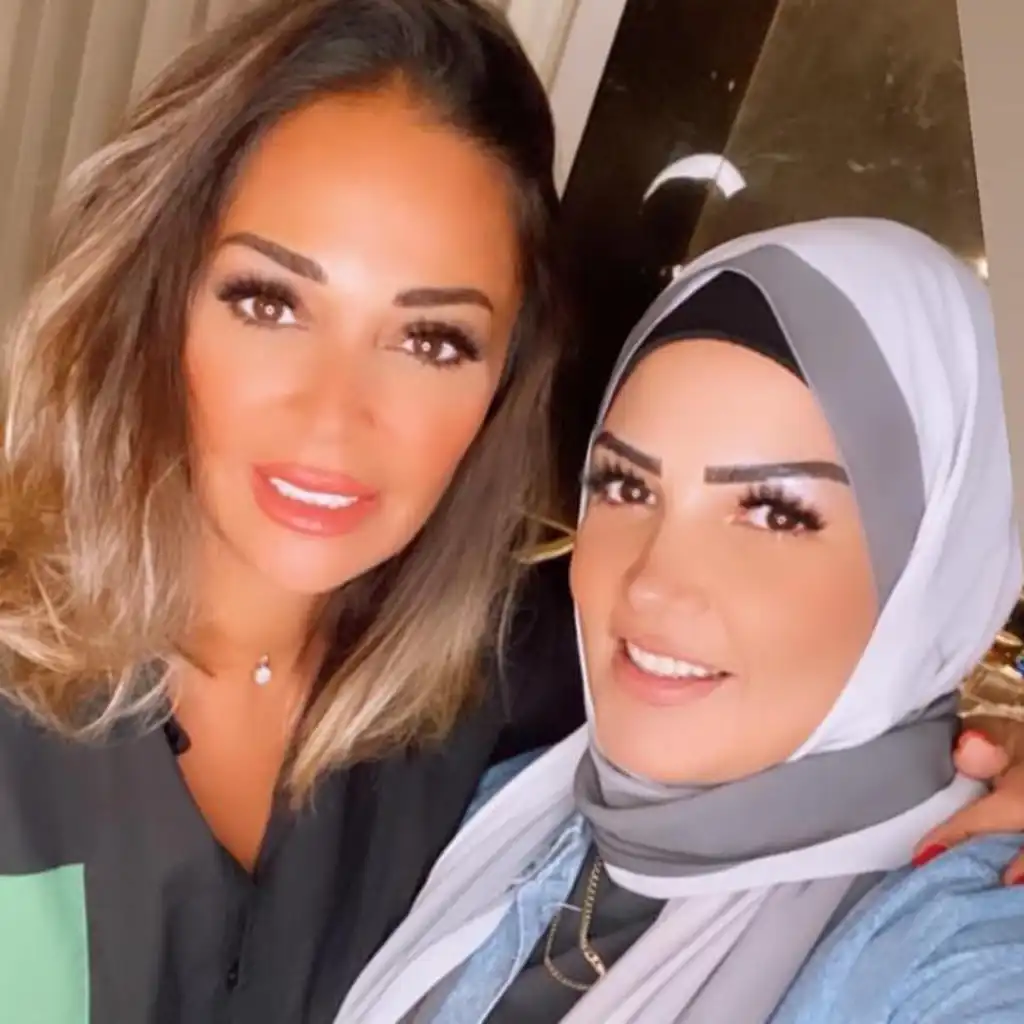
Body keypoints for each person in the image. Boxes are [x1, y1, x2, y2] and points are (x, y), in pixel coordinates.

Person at [0, 1, 575, 1021]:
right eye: (269, 302)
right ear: (155, 298)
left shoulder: (509, 710)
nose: (333, 418)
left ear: (501, 382)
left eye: (432, 340)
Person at [333, 217, 1023, 1024]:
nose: (654, 584)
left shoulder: (960, 937)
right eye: (626, 487)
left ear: (932, 569)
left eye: (774, 512)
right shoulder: (493, 802)